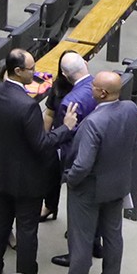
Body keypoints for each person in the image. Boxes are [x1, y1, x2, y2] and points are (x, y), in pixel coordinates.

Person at [54, 71, 137, 274]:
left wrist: (70, 179)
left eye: (93, 86)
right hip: (118, 185)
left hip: (88, 189)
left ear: (102, 93)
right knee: (113, 237)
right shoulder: (131, 109)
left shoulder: (93, 122)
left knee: (81, 240)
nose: (90, 88)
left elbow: (82, 164)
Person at [0, 49, 52, 274]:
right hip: (27, 179)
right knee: (27, 230)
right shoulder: (28, 106)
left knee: (0, 222)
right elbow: (40, 144)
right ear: (18, 71)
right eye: (32, 69)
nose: (36, 72)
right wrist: (66, 130)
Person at [42, 51, 93, 220]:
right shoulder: (59, 86)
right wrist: (44, 139)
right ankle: (50, 206)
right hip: (57, 138)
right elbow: (49, 113)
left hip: (72, 143)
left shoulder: (90, 89)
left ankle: (76, 222)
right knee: (50, 174)